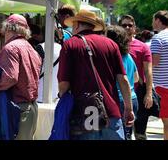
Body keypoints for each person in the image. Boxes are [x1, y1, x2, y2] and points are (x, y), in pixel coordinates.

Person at [57, 9, 134, 140]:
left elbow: (63, 83)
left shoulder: (70, 44)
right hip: (111, 112)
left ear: (76, 25)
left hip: (83, 113)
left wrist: (63, 98)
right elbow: (123, 80)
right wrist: (128, 108)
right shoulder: (111, 44)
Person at [0, 14, 42, 140]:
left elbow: (11, 77)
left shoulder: (10, 48)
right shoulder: (31, 49)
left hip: (17, 109)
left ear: (7, 29)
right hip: (31, 108)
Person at [118, 14, 154, 140]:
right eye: (124, 25)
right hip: (118, 94)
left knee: (139, 132)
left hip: (137, 92)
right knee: (122, 130)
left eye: (130, 25)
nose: (127, 27)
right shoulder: (113, 45)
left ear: (135, 28)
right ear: (119, 27)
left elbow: (148, 71)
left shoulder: (142, 47)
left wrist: (149, 94)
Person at [105, 25, 139, 140]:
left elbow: (122, 80)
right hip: (132, 99)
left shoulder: (112, 58)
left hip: (119, 100)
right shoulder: (128, 56)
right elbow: (136, 78)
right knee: (127, 134)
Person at [150, 10, 168, 140]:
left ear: (158, 20)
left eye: (153, 20)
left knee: (166, 123)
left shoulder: (158, 38)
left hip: (163, 87)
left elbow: (154, 62)